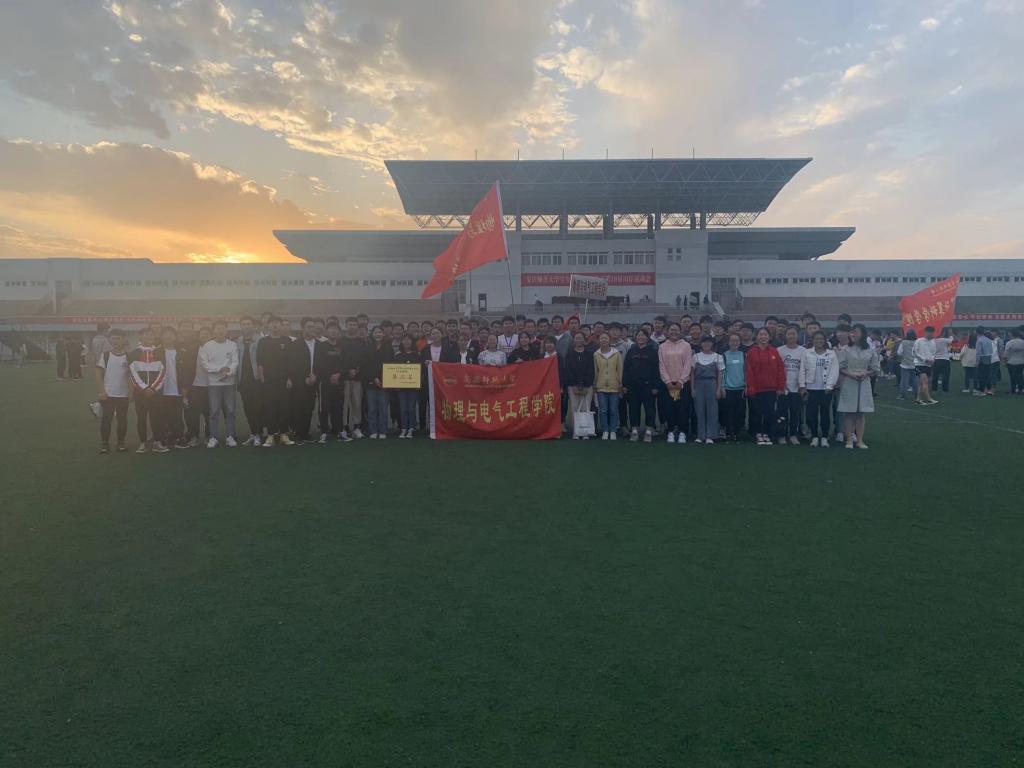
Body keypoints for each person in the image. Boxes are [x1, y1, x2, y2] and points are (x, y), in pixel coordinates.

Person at [837, 323, 880, 450]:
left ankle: (860, 440)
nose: (853, 334)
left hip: (864, 382)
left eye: (856, 332)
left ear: (863, 334)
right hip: (849, 382)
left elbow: (875, 368)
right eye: (852, 332)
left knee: (861, 413)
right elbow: (840, 367)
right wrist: (851, 374)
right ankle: (849, 440)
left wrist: (865, 373)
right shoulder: (845, 349)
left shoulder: (870, 350)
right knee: (849, 412)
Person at [257, 317, 296, 447]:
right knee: (270, 408)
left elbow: (291, 361)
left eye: (277, 324)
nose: (275, 326)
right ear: (268, 326)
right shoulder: (263, 341)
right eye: (272, 324)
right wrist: (262, 377)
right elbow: (260, 361)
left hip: (284, 380)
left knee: (284, 407)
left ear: (281, 326)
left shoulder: (287, 341)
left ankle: (284, 435)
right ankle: (271, 435)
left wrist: (289, 378)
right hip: (268, 380)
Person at [200, 320, 238, 448]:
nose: (220, 331)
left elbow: (235, 362)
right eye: (218, 328)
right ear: (214, 330)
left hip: (229, 383)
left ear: (226, 330)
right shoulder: (207, 346)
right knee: (214, 411)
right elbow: (205, 364)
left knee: (230, 411)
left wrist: (228, 372)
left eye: (223, 328)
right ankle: (213, 437)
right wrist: (219, 370)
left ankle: (230, 436)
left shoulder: (232, 345)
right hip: (214, 384)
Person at [128, 325, 166, 453]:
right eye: (146, 334)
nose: (150, 336)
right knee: (141, 418)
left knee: (157, 417)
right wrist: (144, 389)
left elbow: (163, 372)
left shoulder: (160, 352)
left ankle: (157, 442)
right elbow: (132, 373)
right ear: (140, 336)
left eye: (152, 334)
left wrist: (153, 388)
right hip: (140, 393)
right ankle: (142, 443)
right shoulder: (133, 353)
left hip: (156, 392)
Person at [745, 327, 785, 446]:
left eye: (765, 334)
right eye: (761, 334)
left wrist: (780, 387)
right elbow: (749, 371)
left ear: (769, 337)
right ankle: (758, 433)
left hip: (771, 388)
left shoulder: (774, 351)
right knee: (757, 412)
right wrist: (751, 387)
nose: (763, 337)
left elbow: (780, 370)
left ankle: (767, 433)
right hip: (756, 389)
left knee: (769, 413)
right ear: (756, 337)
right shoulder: (751, 352)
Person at [94, 328, 131, 453]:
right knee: (106, 419)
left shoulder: (128, 357)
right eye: (113, 338)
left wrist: (131, 392)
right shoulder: (105, 355)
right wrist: (101, 391)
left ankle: (121, 443)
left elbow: (131, 375)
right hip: (108, 394)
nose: (115, 341)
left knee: (122, 419)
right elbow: (98, 373)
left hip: (123, 394)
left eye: (118, 338)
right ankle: (105, 444)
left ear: (124, 340)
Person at [799, 330, 839, 447]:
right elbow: (802, 369)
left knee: (825, 413)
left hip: (825, 389)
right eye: (816, 339)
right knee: (811, 414)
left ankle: (825, 437)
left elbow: (834, 371)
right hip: (811, 388)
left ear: (825, 340)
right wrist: (802, 386)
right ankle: (815, 436)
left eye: (821, 339)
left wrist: (829, 385)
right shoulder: (806, 353)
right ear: (812, 340)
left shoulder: (831, 354)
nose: (819, 341)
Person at [657, 322, 693, 444]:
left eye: (676, 330)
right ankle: (670, 431)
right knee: (669, 408)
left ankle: (682, 432)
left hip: (682, 384)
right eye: (671, 330)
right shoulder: (662, 346)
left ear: (680, 331)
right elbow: (662, 365)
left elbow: (688, 364)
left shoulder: (686, 345)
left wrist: (681, 381)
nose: (674, 332)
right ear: (667, 331)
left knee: (683, 408)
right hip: (668, 385)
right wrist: (667, 381)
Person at [316, 320, 349, 442]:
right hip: (325, 382)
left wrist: (338, 374)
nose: (333, 331)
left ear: (339, 332)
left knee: (338, 407)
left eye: (336, 329)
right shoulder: (321, 346)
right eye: (331, 329)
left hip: (339, 382)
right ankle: (324, 432)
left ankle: (339, 431)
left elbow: (345, 363)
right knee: (324, 407)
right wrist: (330, 376)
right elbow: (318, 364)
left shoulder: (343, 347)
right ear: (326, 332)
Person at [623, 328, 659, 443]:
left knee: (649, 409)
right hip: (633, 386)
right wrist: (625, 385)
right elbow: (626, 369)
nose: (640, 337)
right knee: (633, 408)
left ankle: (649, 430)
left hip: (648, 385)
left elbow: (656, 369)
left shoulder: (652, 351)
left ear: (647, 338)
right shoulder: (631, 351)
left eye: (643, 335)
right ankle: (635, 430)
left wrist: (655, 386)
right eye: (638, 335)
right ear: (635, 337)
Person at [289, 317, 321, 443]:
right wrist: (304, 378)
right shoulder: (295, 345)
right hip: (299, 381)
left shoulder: (319, 344)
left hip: (315, 381)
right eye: (308, 326)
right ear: (302, 328)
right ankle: (298, 433)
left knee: (309, 408)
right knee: (298, 407)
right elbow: (293, 364)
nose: (311, 329)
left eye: (313, 326)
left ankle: (305, 433)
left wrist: (315, 376)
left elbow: (322, 363)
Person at [690, 336, 724, 445]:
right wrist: (692, 388)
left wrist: (718, 389)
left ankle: (710, 435)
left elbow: (720, 375)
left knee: (712, 410)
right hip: (698, 384)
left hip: (712, 384)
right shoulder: (695, 357)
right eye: (704, 342)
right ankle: (700, 435)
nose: (707, 344)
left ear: (712, 344)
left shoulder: (718, 357)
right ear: (701, 344)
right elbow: (692, 374)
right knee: (699, 410)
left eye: (709, 342)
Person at [236, 315, 264, 445]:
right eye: (244, 324)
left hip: (257, 379)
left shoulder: (261, 341)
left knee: (258, 407)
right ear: (241, 327)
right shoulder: (238, 342)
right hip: (243, 380)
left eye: (248, 324)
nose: (246, 326)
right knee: (247, 407)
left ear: (253, 326)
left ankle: (259, 433)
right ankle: (253, 433)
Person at [363, 325, 393, 439]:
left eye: (380, 332)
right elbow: (366, 365)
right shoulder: (367, 348)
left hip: (385, 382)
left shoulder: (388, 348)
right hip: (370, 383)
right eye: (375, 332)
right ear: (372, 334)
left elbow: (390, 365)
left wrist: (382, 378)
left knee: (383, 409)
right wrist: (374, 378)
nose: (378, 334)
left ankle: (383, 430)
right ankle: (373, 430)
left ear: (383, 334)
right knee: (372, 409)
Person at [183, 325, 211, 448]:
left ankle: (209, 435)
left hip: (211, 386)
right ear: (198, 336)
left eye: (207, 333)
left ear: (211, 336)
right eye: (202, 333)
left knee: (209, 413)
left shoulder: (216, 349)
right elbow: (185, 369)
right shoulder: (192, 349)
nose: (204, 335)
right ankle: (194, 436)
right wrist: (185, 386)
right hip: (195, 386)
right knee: (192, 414)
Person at [777, 326, 806, 445]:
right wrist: (780, 385)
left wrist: (802, 385)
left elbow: (805, 369)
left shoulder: (803, 351)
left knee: (795, 412)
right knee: (782, 413)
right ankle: (781, 435)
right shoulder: (779, 350)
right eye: (789, 334)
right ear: (786, 335)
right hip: (783, 388)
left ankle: (793, 434)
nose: (791, 336)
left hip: (797, 388)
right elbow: (776, 370)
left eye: (793, 334)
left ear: (797, 336)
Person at [564, 331, 595, 439]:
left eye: (580, 338)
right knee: (574, 407)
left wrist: (586, 385)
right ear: (574, 340)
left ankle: (585, 431)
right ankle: (576, 431)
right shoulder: (569, 354)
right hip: (572, 386)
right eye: (576, 338)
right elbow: (568, 371)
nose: (578, 340)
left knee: (585, 408)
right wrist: (574, 385)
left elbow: (591, 370)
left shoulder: (589, 354)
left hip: (587, 386)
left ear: (584, 340)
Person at [340, 317, 367, 438]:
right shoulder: (341, 341)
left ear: (357, 326)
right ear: (346, 326)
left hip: (357, 377)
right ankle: (344, 427)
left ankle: (357, 427)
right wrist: (347, 370)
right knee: (344, 404)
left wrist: (356, 369)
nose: (352, 326)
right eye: (350, 324)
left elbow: (364, 358)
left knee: (357, 403)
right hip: (344, 377)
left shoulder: (361, 342)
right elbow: (339, 359)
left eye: (354, 324)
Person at [158, 327, 185, 449]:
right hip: (161, 390)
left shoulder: (182, 352)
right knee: (162, 415)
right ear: (161, 336)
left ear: (175, 337)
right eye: (165, 334)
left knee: (177, 415)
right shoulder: (156, 352)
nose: (168, 336)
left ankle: (179, 437)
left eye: (171, 334)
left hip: (177, 389)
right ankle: (165, 437)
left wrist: (185, 387)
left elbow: (187, 371)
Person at [593, 333, 623, 441]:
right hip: (601, 387)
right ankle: (605, 430)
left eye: (606, 338)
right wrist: (595, 384)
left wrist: (620, 383)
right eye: (602, 338)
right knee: (603, 410)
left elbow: (620, 369)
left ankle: (613, 430)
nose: (604, 340)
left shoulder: (616, 353)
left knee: (613, 410)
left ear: (609, 340)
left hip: (614, 387)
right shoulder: (596, 354)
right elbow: (595, 371)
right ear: (599, 340)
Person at [393, 334, 421, 438]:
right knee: (403, 408)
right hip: (401, 388)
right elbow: (394, 370)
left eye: (409, 339)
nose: (407, 341)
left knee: (411, 408)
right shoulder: (398, 355)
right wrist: (395, 384)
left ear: (412, 342)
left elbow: (421, 371)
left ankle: (411, 428)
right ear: (402, 342)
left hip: (413, 387)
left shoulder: (417, 355)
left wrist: (418, 383)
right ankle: (404, 428)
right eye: (404, 340)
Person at [722, 333, 746, 442]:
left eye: (736, 340)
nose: (734, 343)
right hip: (728, 388)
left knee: (740, 412)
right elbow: (722, 372)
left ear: (740, 342)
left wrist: (746, 385)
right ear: (729, 342)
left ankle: (737, 433)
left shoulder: (744, 355)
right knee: (728, 412)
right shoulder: (724, 355)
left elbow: (746, 371)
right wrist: (722, 387)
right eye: (732, 340)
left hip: (741, 388)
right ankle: (729, 432)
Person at [912, 326, 938, 405]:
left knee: (921, 383)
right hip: (919, 364)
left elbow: (934, 353)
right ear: (925, 332)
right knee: (925, 381)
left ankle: (918, 399)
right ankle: (928, 399)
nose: (930, 334)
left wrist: (932, 359)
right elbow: (914, 352)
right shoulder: (919, 341)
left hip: (928, 365)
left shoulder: (933, 342)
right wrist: (924, 359)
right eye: (928, 332)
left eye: (931, 332)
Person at [931, 328, 955, 394]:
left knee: (935, 376)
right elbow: (951, 340)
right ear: (943, 333)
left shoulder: (933, 340)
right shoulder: (944, 340)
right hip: (945, 360)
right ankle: (945, 390)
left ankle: (934, 389)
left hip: (936, 360)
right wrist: (951, 334)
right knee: (945, 376)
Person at [974, 326, 995, 396]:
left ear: (976, 332)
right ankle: (989, 390)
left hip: (982, 358)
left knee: (981, 376)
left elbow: (978, 352)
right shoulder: (988, 339)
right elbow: (991, 350)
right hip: (989, 358)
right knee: (987, 375)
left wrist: (977, 362)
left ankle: (981, 390)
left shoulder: (979, 340)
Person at [896, 330, 917, 399]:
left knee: (904, 381)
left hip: (905, 365)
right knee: (915, 381)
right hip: (915, 365)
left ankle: (902, 395)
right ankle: (916, 395)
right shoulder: (917, 342)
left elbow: (899, 353)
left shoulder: (903, 342)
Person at [1004, 328, 1024, 395]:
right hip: (1021, 361)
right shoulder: (1022, 342)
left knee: (1012, 377)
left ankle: (1013, 390)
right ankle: (1020, 389)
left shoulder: (1009, 343)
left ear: (1012, 334)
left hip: (1011, 362)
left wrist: (1005, 362)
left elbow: (1006, 354)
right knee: (1020, 376)